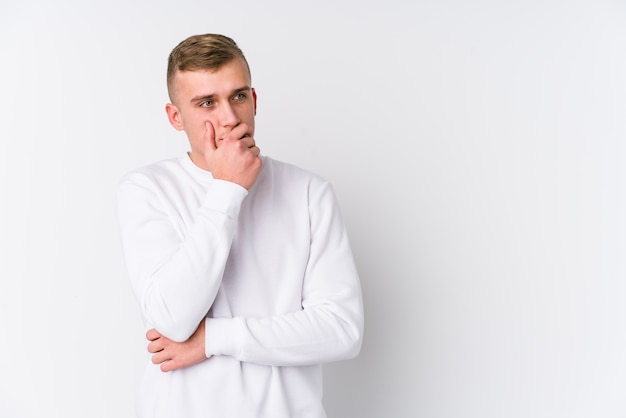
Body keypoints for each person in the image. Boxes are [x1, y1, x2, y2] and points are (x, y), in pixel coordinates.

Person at [116, 33, 364, 418]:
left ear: (254, 100)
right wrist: (227, 189)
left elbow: (342, 331)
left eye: (238, 96)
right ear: (175, 117)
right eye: (206, 103)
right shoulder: (146, 188)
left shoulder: (310, 192)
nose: (230, 117)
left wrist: (214, 338)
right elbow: (172, 319)